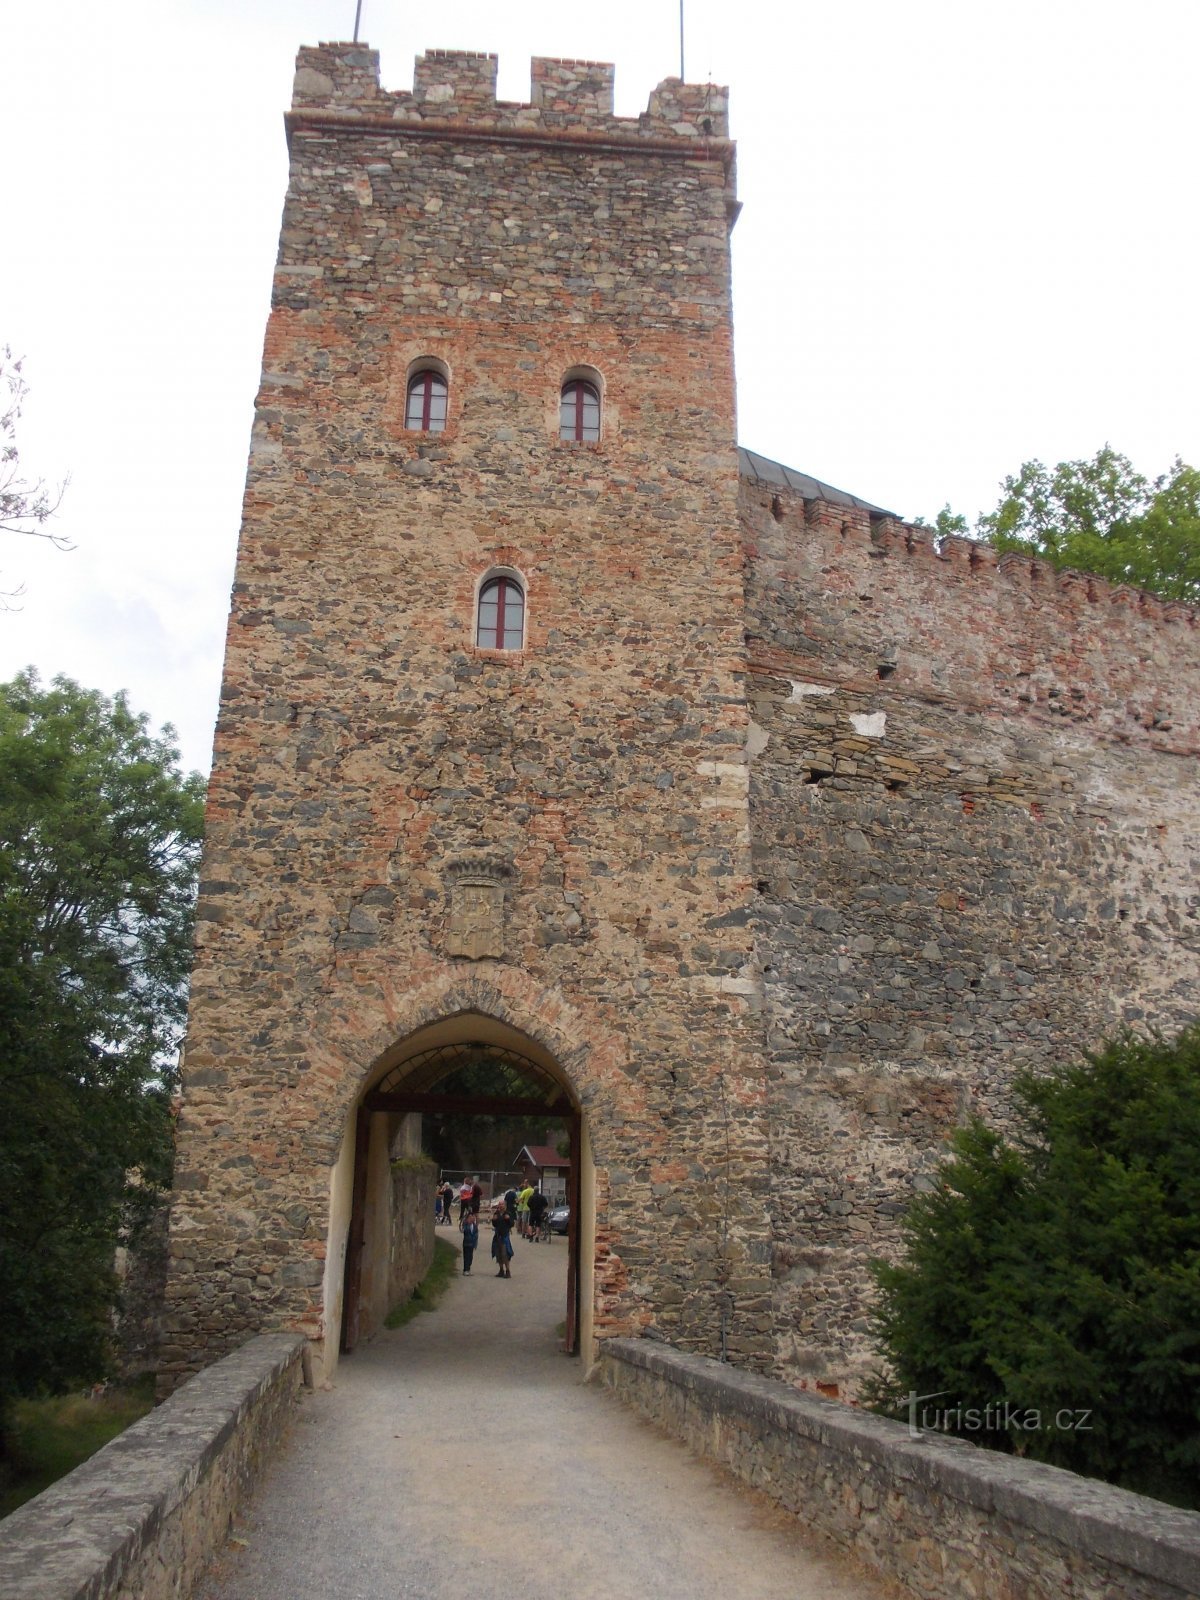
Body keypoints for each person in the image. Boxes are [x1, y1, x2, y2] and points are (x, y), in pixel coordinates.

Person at [490, 1198, 513, 1278]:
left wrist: (508, 1219)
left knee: (505, 1254)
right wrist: (493, 1220)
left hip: (504, 1236)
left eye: (502, 1204)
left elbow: (511, 1224)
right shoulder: (496, 1213)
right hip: (497, 1236)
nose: (500, 1206)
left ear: (505, 1205)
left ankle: (508, 1271)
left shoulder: (508, 1213)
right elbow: (495, 1224)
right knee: (498, 1254)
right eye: (499, 1204)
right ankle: (501, 1270)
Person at [460, 1207, 478, 1275]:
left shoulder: (475, 1226)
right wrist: (467, 1223)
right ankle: (465, 1270)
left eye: (473, 1217)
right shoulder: (466, 1225)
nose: (472, 1218)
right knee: (466, 1257)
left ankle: (468, 1269)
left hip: (472, 1243)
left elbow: (476, 1235)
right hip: (466, 1243)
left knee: (470, 1257)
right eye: (470, 1217)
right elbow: (464, 1230)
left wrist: (475, 1244)